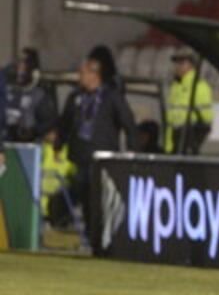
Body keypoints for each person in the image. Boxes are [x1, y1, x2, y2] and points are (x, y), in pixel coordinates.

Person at [55, 52, 138, 249]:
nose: (79, 77)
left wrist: (134, 151)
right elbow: (65, 123)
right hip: (81, 157)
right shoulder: (75, 97)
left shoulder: (111, 97)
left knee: (100, 201)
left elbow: (128, 122)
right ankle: (91, 240)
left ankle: (104, 240)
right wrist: (59, 144)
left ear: (95, 74)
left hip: (104, 159)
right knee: (84, 198)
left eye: (83, 73)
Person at [164, 49, 214, 154]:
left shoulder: (199, 86)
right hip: (174, 139)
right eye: (176, 63)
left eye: (182, 63)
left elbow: (206, 119)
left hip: (188, 138)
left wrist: (194, 141)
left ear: (192, 65)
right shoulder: (176, 86)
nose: (177, 66)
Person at [4, 47, 58, 144]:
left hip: (29, 148)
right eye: (18, 62)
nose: (19, 67)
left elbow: (49, 122)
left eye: (24, 63)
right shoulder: (8, 88)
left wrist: (32, 132)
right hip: (5, 144)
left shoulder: (39, 94)